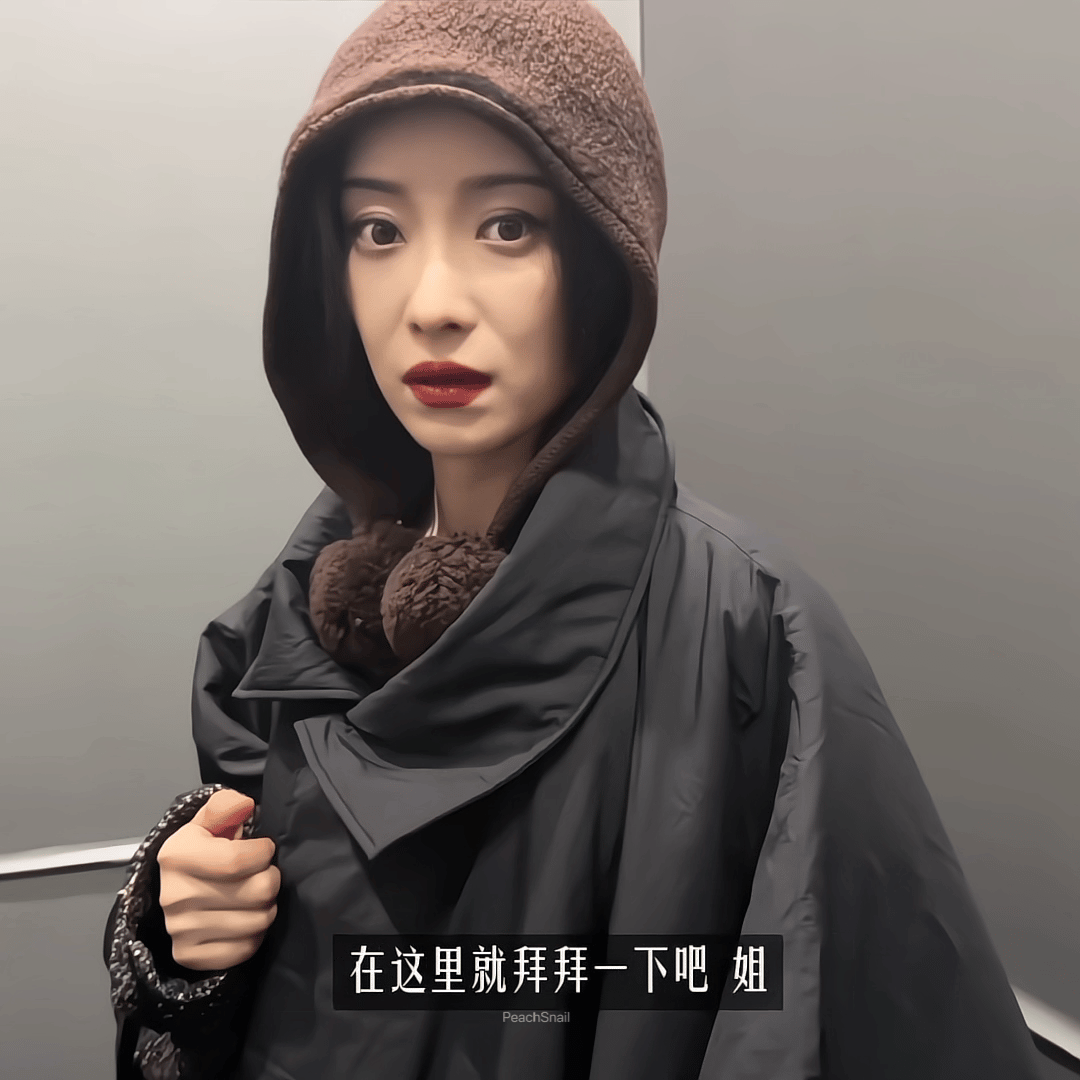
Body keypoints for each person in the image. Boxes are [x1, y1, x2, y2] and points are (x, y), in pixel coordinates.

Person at [103, 2, 1043, 1078]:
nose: (432, 302)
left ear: (602, 262)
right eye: (380, 231)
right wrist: (181, 942)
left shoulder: (751, 636)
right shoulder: (298, 614)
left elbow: (819, 1010)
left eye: (507, 226)